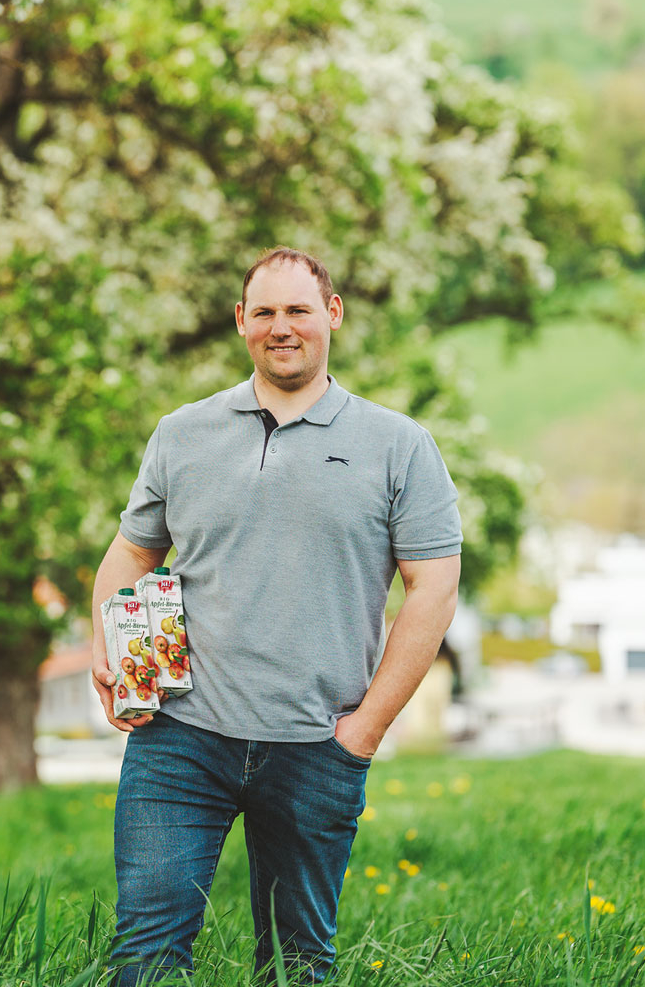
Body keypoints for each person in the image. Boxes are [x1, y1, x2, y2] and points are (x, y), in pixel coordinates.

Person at [92, 247, 462, 986]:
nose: (281, 327)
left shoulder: (398, 446)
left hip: (316, 744)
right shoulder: (182, 432)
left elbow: (434, 589)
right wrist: (107, 648)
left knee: (297, 966)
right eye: (264, 312)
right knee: (145, 956)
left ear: (332, 315)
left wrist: (366, 730)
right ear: (240, 322)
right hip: (179, 738)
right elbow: (130, 554)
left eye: (298, 310)